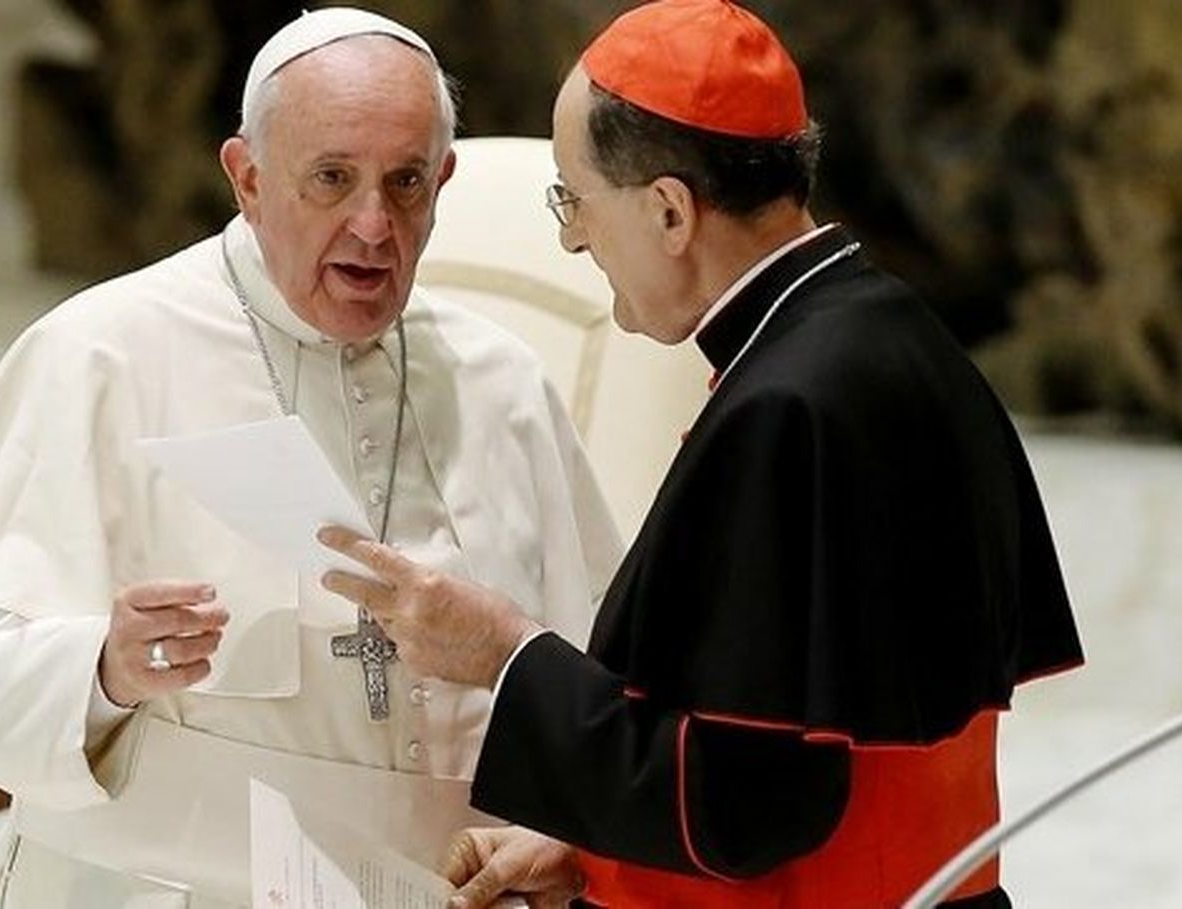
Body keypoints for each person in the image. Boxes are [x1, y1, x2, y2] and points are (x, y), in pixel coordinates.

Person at [319, 2, 1086, 907]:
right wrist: (593, 851)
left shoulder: (787, 409)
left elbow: (738, 810)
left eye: (575, 199)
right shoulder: (885, 335)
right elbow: (775, 757)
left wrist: (505, 652)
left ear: (670, 210)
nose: (572, 237)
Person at [0, 8, 622, 908]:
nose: (374, 225)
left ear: (443, 181)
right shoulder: (100, 353)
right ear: (248, 176)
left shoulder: (501, 383)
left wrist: (557, 831)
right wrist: (105, 665)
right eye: (332, 179)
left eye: (406, 182)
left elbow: (602, 687)